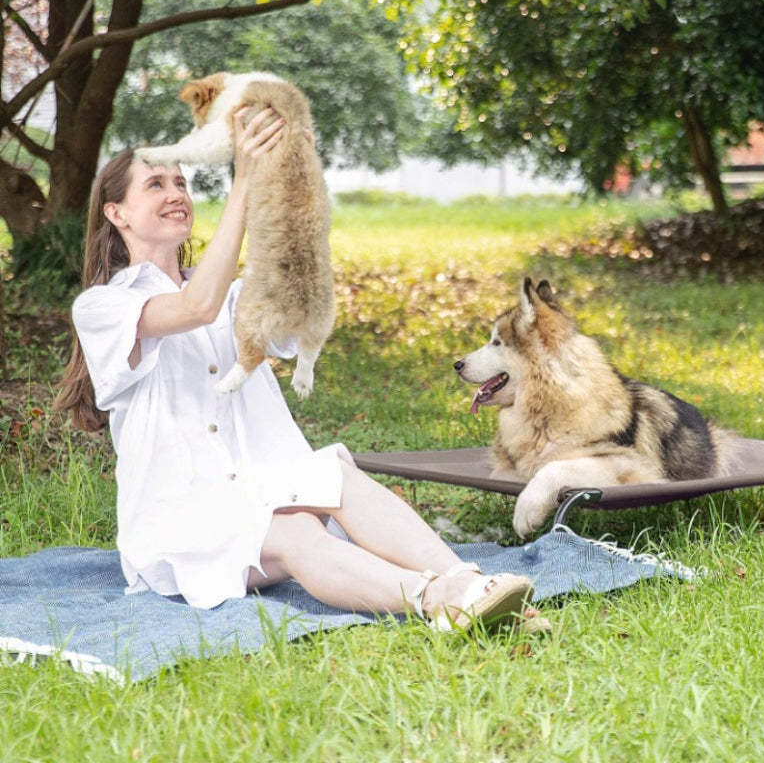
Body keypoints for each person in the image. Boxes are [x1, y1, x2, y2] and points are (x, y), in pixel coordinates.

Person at [55, 108, 532, 629]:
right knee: (298, 531)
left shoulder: (234, 296)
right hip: (181, 522)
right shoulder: (104, 307)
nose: (176, 194)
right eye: (155, 184)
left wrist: (284, 184)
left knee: (335, 475)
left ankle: (470, 583)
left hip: (261, 490)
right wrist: (242, 184)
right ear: (117, 214)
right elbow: (196, 308)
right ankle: (439, 600)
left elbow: (294, 315)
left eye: (181, 183)